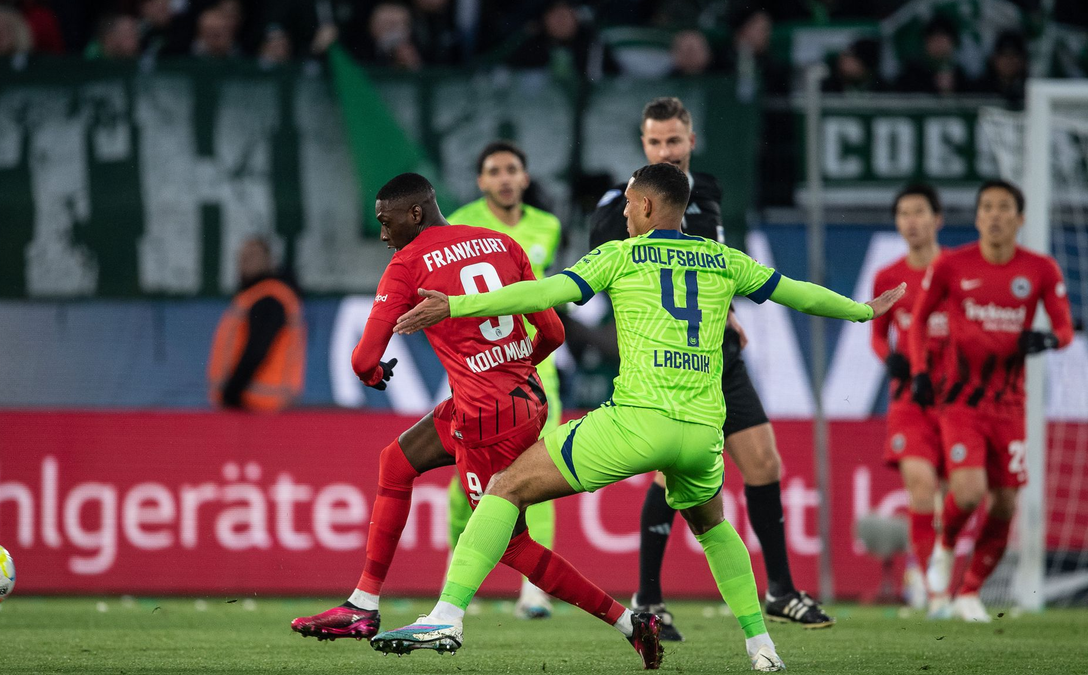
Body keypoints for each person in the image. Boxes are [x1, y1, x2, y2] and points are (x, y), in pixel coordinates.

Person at [381, 163, 906, 671]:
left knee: (504, 487)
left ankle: (446, 617)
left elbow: (543, 292)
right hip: (702, 433)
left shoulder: (621, 256)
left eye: (629, 203)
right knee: (714, 527)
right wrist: (862, 310)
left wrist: (454, 306)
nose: (624, 213)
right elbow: (799, 294)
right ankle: (762, 648)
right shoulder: (725, 260)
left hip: (636, 424)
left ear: (649, 205)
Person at [290, 173, 664, 670]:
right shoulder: (503, 243)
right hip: (523, 397)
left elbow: (362, 361)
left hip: (486, 415)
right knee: (396, 462)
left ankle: (627, 622)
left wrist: (378, 372)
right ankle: (363, 603)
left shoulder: (407, 264)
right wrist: (511, 370)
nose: (383, 233)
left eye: (386, 222)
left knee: (511, 544)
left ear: (416, 214)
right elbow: (551, 330)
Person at [590, 96, 834, 637]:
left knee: (764, 464)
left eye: (673, 140)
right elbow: (613, 281)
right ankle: (649, 599)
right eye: (654, 142)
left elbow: (710, 268)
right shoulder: (619, 205)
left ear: (691, 141)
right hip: (666, 366)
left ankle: (782, 592)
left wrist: (728, 314)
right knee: (669, 469)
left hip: (718, 353)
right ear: (643, 144)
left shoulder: (710, 193)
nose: (665, 151)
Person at [909, 180, 1074, 621]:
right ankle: (944, 549)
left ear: (1020, 219)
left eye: (1004, 208)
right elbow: (918, 321)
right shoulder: (951, 265)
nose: (995, 215)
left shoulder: (1040, 269)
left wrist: (1046, 338)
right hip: (961, 400)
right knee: (968, 491)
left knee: (1004, 503)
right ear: (978, 217)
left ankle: (969, 592)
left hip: (1011, 405)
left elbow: (1065, 329)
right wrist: (921, 371)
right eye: (987, 208)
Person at [446, 140, 564, 619]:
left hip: (537, 369)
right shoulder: (457, 223)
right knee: (464, 485)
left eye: (512, 169)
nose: (504, 178)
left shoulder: (548, 226)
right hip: (479, 373)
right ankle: (456, 584)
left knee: (546, 473)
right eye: (494, 170)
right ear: (481, 181)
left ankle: (535, 592)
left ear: (526, 176)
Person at [870, 183, 948, 614]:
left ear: (937, 219)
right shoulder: (888, 277)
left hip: (957, 400)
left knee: (961, 497)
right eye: (903, 213)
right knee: (921, 488)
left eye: (919, 212)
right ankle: (928, 582)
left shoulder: (956, 271)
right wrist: (891, 360)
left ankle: (942, 567)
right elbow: (878, 336)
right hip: (909, 400)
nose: (911, 222)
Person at [207, 237, 305, 411]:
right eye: (242, 257)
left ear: (269, 261)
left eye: (252, 256)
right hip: (260, 405)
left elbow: (257, 349)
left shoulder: (269, 297)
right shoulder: (256, 295)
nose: (245, 262)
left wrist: (230, 393)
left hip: (257, 405)